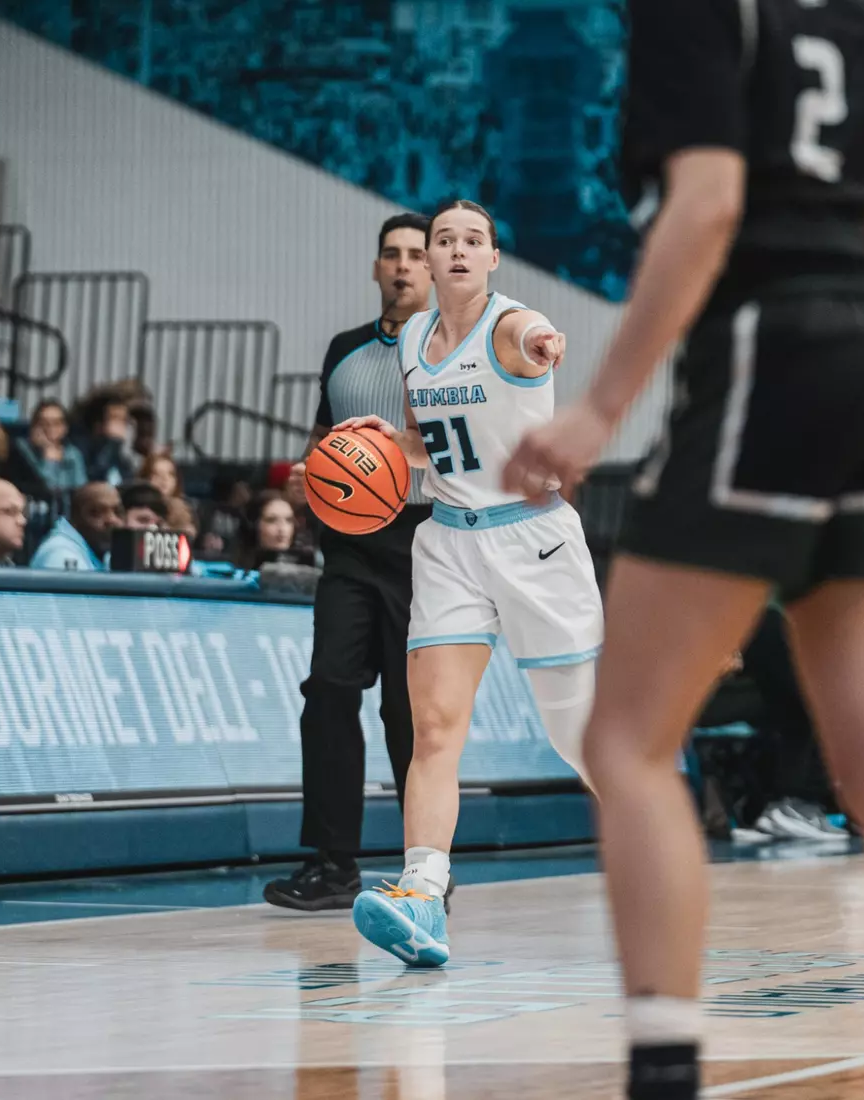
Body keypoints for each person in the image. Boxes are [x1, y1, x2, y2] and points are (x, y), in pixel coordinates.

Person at [502, 4, 864, 1096]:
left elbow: (710, 204)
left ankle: (664, 1070)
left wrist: (599, 409)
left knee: (625, 740)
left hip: (774, 346)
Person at [335, 199, 602, 970]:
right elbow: (441, 447)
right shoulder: (415, 337)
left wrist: (546, 342)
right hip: (450, 540)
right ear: (422, 261)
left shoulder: (515, 326)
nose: (455, 251)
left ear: (492, 259)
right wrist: (394, 447)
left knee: (579, 737)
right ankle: (424, 894)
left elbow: (534, 342)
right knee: (436, 728)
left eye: (471, 241)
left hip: (534, 541)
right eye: (441, 241)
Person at [263, 212, 436, 914]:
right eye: (390, 255)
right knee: (329, 692)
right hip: (349, 550)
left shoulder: (455, 355)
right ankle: (333, 864)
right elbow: (319, 444)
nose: (402, 266)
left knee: (406, 713)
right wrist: (307, 478)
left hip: (427, 546)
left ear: (432, 270)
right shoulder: (343, 350)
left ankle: (424, 871)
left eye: (415, 256)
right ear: (375, 268)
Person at [30, 482, 121, 570]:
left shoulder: (103, 553)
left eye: (117, 512)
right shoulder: (61, 555)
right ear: (74, 518)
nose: (112, 520)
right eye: (95, 513)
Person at [10, 399, 88, 500]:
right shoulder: (23, 450)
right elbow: (46, 490)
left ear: (65, 427)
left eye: (56, 423)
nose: (50, 428)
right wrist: (48, 457)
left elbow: (81, 490)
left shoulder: (73, 453)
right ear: (34, 425)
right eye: (44, 423)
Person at [138, 453, 194, 536]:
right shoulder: (137, 509)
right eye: (157, 474)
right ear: (146, 478)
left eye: (170, 474)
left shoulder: (186, 511)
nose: (164, 479)